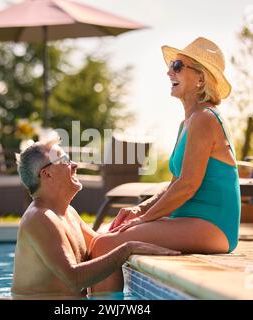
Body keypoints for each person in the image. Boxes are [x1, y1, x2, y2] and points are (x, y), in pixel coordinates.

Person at [90, 37, 241, 293]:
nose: (169, 71)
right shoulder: (187, 123)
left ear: (201, 78)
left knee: (105, 246)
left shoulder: (205, 118)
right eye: (172, 65)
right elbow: (174, 182)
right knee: (105, 235)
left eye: (178, 65)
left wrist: (145, 219)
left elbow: (187, 186)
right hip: (192, 219)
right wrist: (139, 210)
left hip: (213, 224)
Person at [11, 135, 180, 299]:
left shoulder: (68, 213)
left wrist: (148, 223)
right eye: (65, 160)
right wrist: (127, 248)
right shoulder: (39, 218)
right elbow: (74, 279)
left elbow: (102, 243)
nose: (74, 165)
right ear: (47, 174)